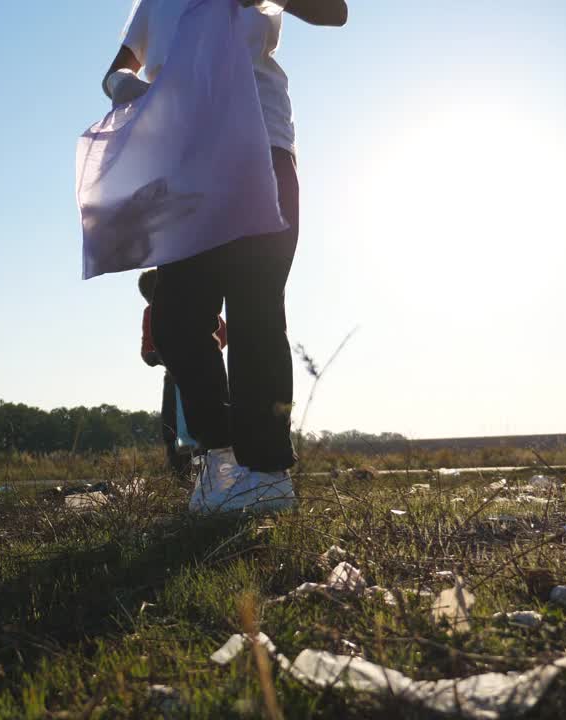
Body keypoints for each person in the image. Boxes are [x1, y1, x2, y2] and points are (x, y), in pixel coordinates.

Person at [104, 0, 347, 512]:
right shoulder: (156, 4)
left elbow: (334, 11)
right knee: (174, 319)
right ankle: (222, 455)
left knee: (254, 306)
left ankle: (268, 472)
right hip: (184, 160)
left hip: (258, 146)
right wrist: (123, 85)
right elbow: (119, 65)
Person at [138, 269, 226, 476]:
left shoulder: (191, 305)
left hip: (200, 372)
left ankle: (208, 472)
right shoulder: (150, 312)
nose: (152, 301)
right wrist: (156, 357)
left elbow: (221, 332)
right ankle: (183, 474)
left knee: (204, 421)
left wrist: (204, 352)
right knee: (172, 426)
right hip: (175, 374)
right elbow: (147, 348)